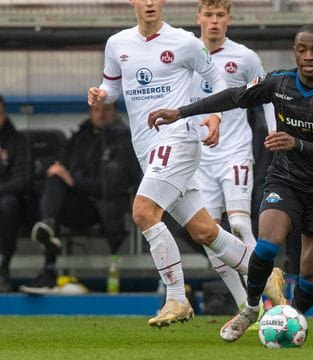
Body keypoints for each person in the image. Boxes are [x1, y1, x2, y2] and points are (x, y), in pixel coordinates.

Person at [148, 24, 313, 342]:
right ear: (294, 51)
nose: (309, 56)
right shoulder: (278, 81)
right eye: (302, 49)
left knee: (311, 275)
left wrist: (295, 143)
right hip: (286, 180)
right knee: (267, 244)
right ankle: (250, 308)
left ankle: (292, 318)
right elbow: (234, 97)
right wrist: (181, 112)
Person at [87, 0, 283, 328]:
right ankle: (264, 272)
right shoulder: (117, 43)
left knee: (143, 212)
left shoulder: (185, 42)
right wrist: (101, 95)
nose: (149, 3)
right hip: (146, 147)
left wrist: (215, 118)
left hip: (179, 140)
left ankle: (177, 297)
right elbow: (112, 87)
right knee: (205, 231)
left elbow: (219, 82)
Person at [191, 0, 278, 311]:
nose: (214, 21)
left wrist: (273, 130)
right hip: (198, 161)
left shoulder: (243, 57)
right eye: (208, 15)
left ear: (228, 19)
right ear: (198, 17)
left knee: (240, 225)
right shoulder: (187, 52)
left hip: (234, 153)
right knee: (210, 236)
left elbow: (268, 95)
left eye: (220, 15)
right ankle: (246, 305)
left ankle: (269, 295)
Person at [19, 102, 138, 295]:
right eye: (97, 110)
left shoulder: (125, 141)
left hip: (103, 209)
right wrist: (58, 170)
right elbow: (63, 163)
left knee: (57, 189)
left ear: (115, 112)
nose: (101, 115)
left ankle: (47, 236)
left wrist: (73, 181)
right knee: (53, 182)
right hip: (76, 202)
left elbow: (112, 186)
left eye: (106, 110)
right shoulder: (80, 137)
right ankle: (47, 232)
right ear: (90, 112)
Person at [0, 95, 30, 293]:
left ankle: (3, 267)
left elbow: (23, 180)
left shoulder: (18, 141)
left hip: (12, 202)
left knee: (8, 204)